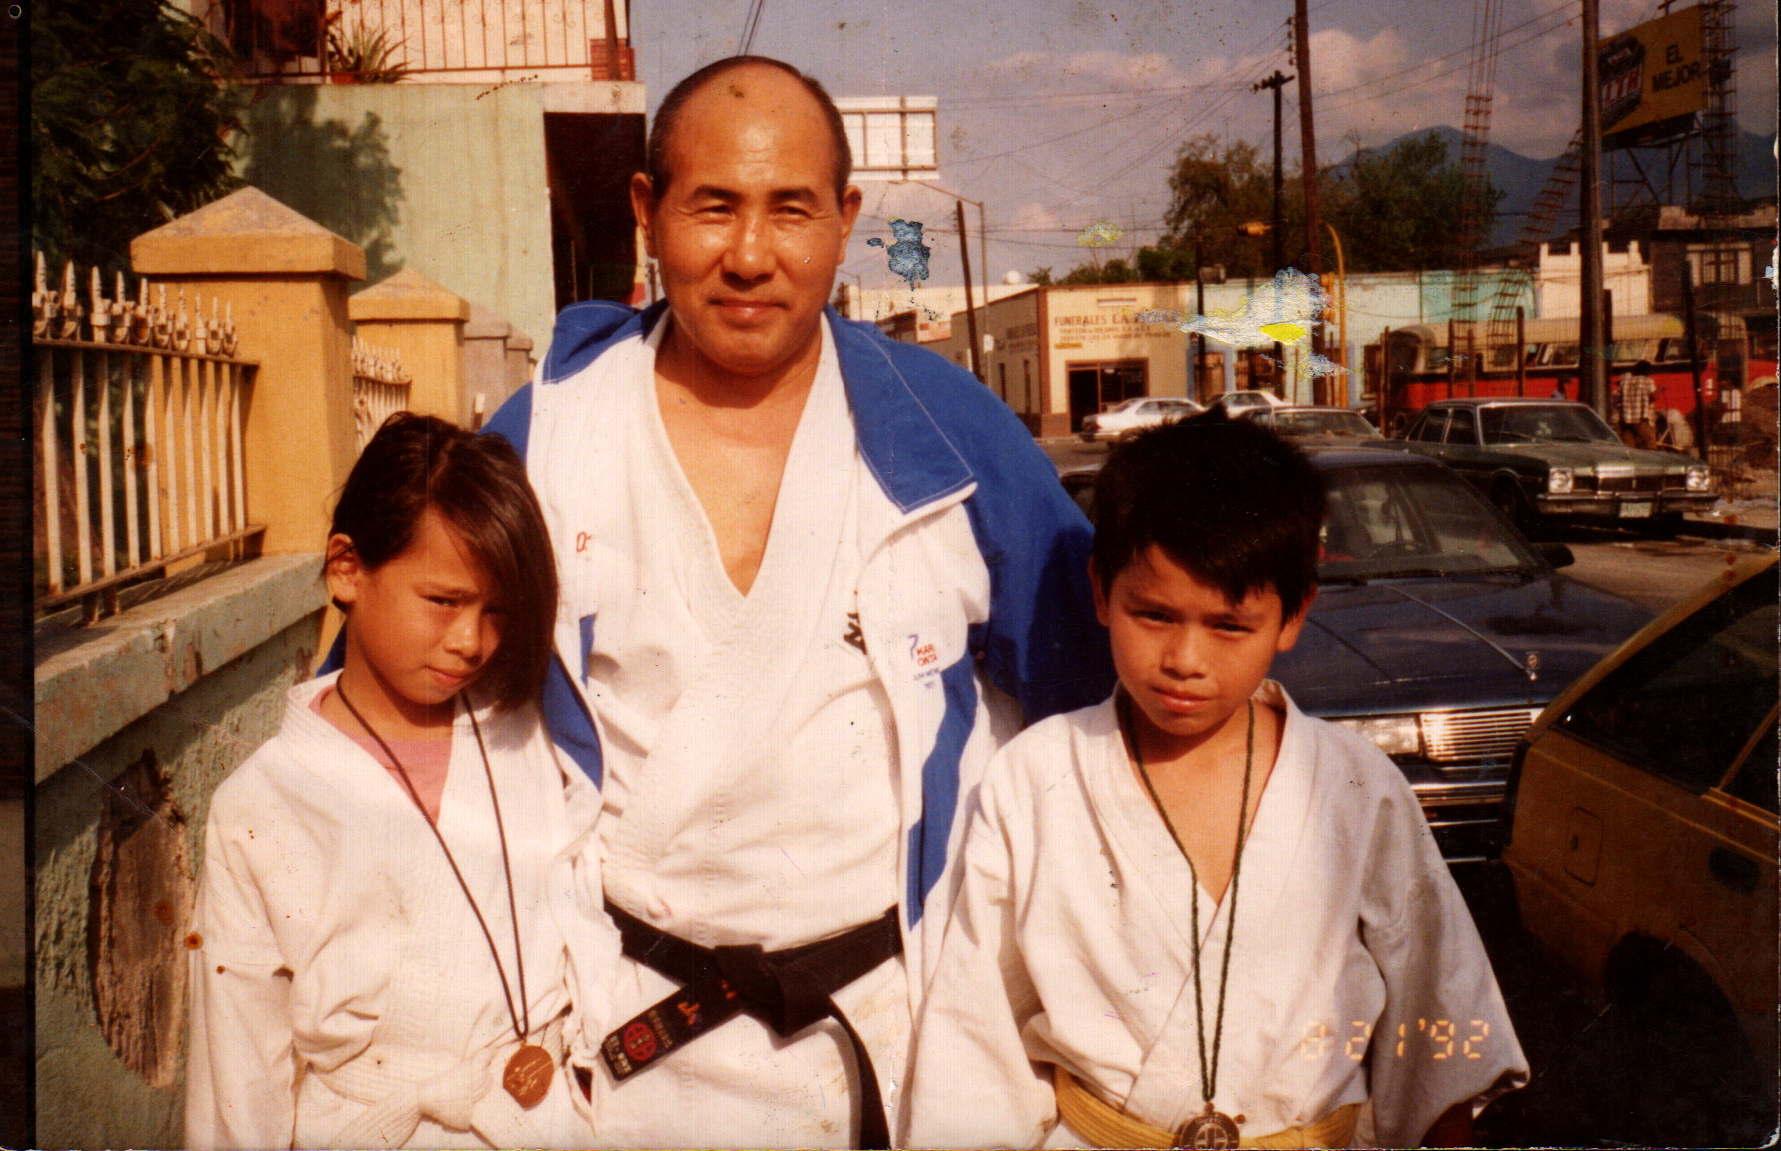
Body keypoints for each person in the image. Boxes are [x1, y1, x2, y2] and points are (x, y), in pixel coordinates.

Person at [484, 56, 1112, 1150]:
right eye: (711, 206)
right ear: (645, 211)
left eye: (791, 210)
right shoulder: (548, 436)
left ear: (845, 220)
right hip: (624, 1040)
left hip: (897, 1032)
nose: (749, 256)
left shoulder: (949, 433)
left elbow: (1101, 712)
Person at [901, 414, 1527, 1149]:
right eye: (1153, 614)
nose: (1185, 660)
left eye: (1229, 626)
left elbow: (1438, 1012)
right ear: (1100, 592)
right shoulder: (1032, 779)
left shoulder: (1357, 787)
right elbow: (974, 1041)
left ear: (1292, 616)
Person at [186, 415, 609, 1150]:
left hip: (534, 1120)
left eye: (496, 612)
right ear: (347, 568)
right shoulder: (261, 802)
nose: (470, 641)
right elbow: (237, 1070)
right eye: (443, 602)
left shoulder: (532, 740)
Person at [1616, 360, 1659, 449]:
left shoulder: (1625, 382)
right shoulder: (1647, 381)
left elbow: (1615, 398)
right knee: (1650, 446)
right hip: (1641, 420)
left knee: (1628, 448)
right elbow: (1653, 397)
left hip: (1625, 421)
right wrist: (1661, 389)